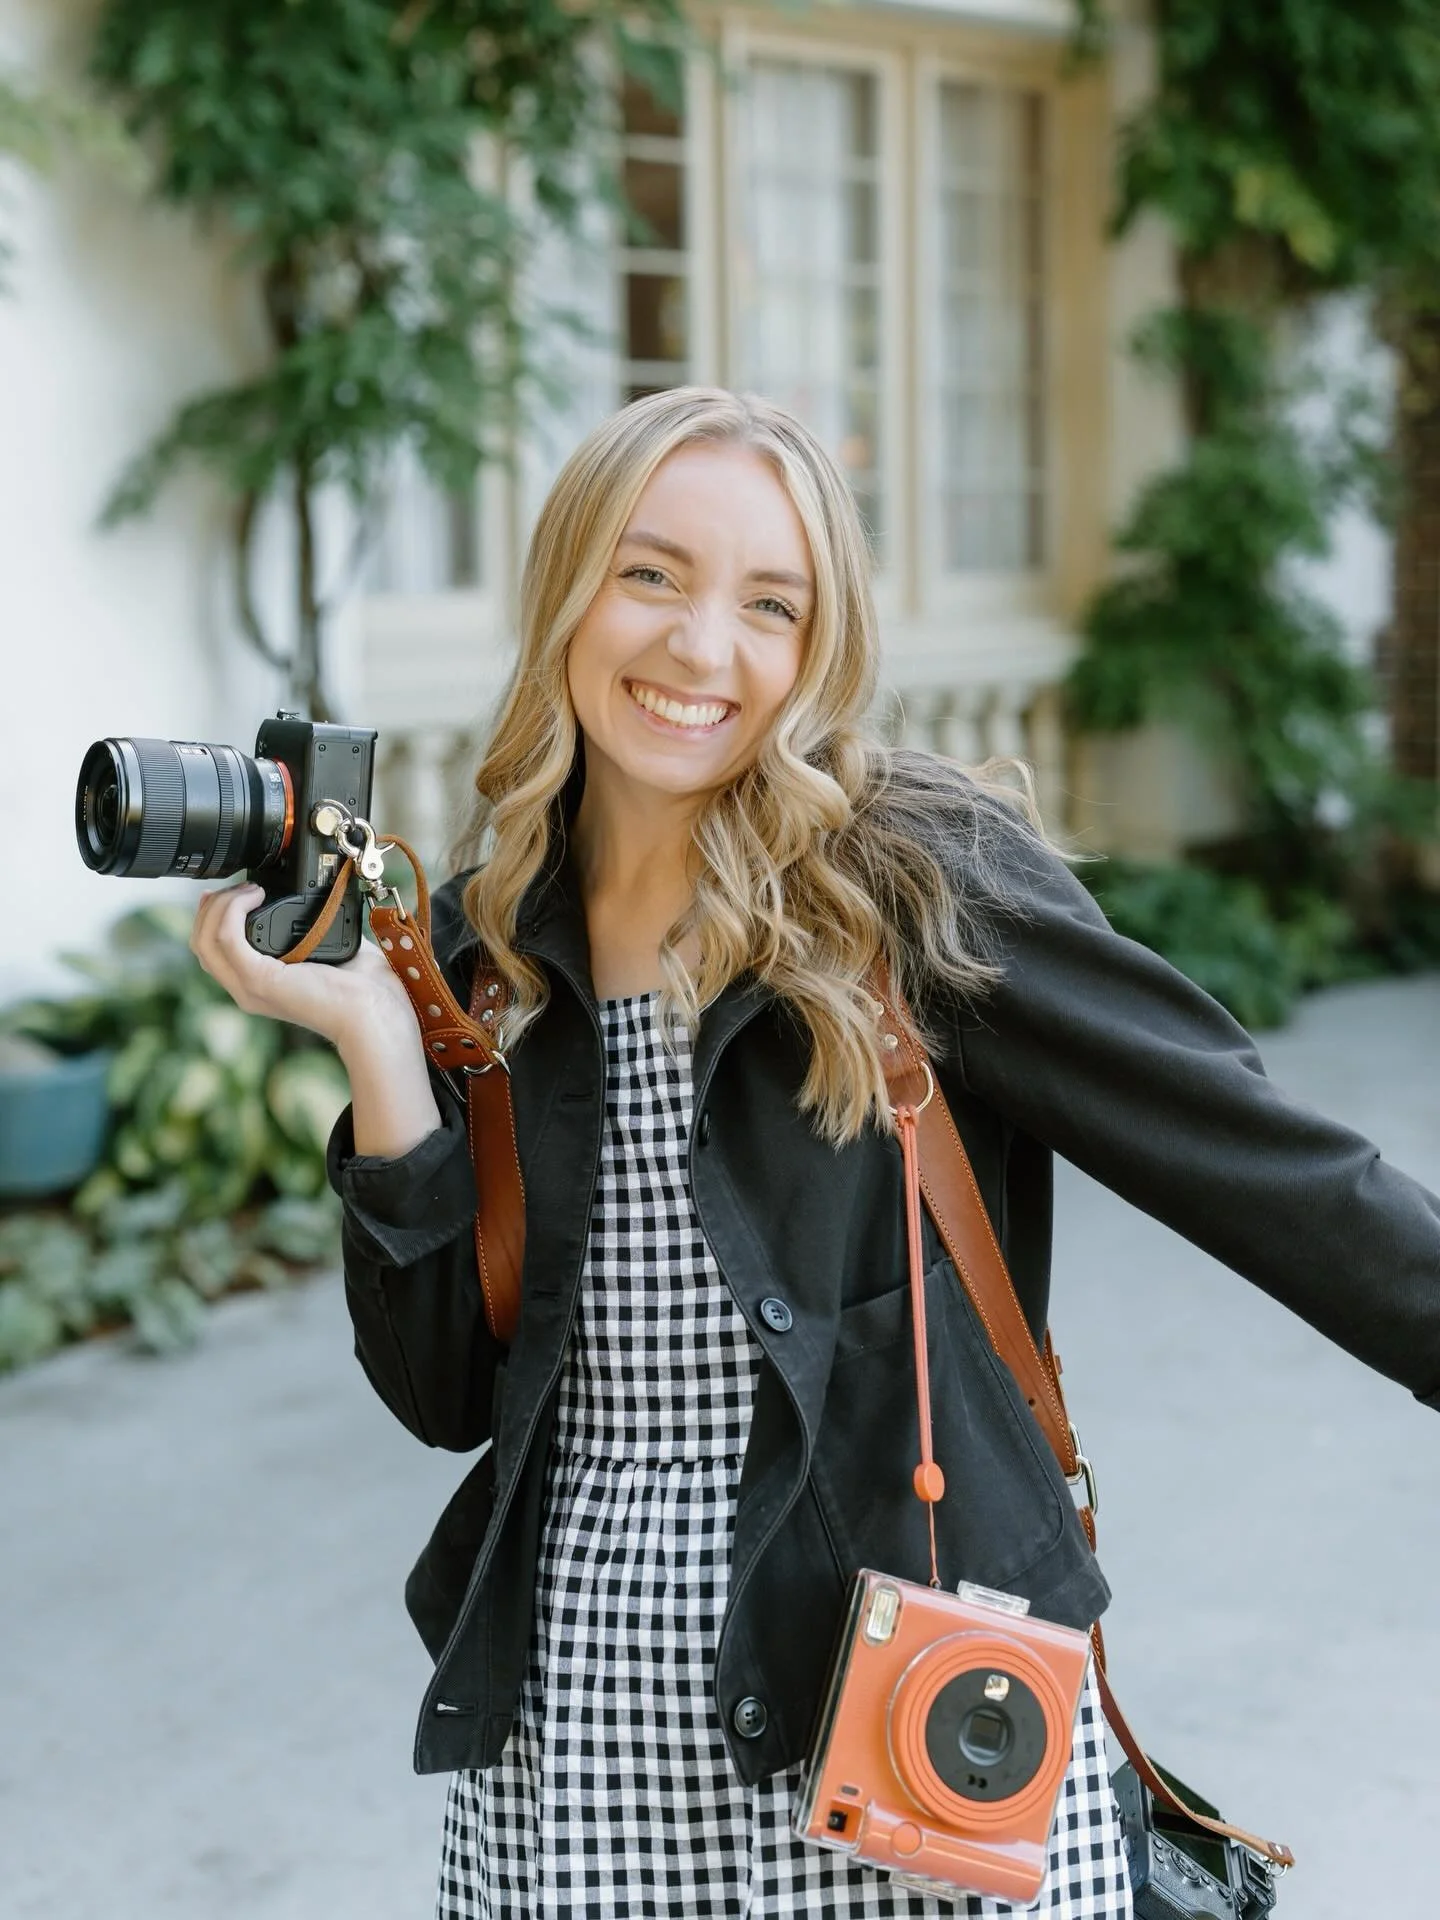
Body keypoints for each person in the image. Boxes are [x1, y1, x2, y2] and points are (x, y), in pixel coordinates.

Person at [190, 387, 1440, 1920]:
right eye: (650, 575)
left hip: (891, 1712)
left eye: (767, 604)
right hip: (576, 1718)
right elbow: (446, 1394)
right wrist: (384, 1047)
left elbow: (1268, 1165)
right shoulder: (485, 946)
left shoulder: (907, 889)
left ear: (817, 647)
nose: (701, 649)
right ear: (567, 590)